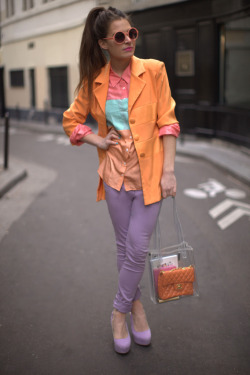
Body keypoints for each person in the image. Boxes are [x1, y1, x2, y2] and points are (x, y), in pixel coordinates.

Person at [63, 6, 180, 354]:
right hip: (114, 177)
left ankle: (118, 311)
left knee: (138, 246)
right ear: (103, 43)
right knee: (124, 247)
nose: (128, 40)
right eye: (119, 36)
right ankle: (137, 307)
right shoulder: (94, 81)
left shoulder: (154, 71)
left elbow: (168, 122)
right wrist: (97, 140)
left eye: (132, 33)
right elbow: (71, 121)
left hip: (150, 178)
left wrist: (169, 171)